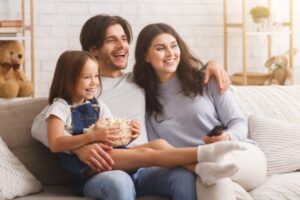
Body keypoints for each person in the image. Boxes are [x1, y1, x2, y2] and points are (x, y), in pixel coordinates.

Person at [32, 14, 232, 200]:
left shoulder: (140, 80)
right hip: (108, 166)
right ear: (93, 51)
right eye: (112, 40)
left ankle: (202, 164)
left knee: (182, 176)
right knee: (119, 181)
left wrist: (211, 65)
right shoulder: (81, 89)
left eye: (124, 38)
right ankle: (203, 156)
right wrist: (78, 147)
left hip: (144, 164)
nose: (123, 46)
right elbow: (39, 126)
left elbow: (172, 68)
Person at [132, 23, 267, 199]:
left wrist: (227, 137)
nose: (170, 53)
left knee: (213, 172)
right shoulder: (144, 99)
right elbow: (160, 154)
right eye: (160, 48)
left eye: (174, 46)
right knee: (213, 181)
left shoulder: (206, 79)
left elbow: (238, 122)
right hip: (202, 169)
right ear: (146, 56)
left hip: (241, 155)